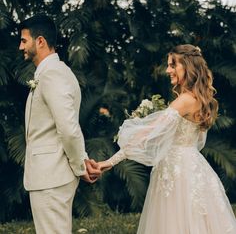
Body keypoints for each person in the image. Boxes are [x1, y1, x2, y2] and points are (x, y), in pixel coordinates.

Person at [98, 44, 236, 234]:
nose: (167, 70)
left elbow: (149, 134)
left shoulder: (184, 100)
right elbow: (196, 142)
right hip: (193, 165)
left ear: (187, 66)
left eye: (173, 65)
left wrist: (110, 162)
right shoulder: (198, 99)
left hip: (176, 173)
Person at [19, 14, 101, 234]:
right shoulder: (50, 73)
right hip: (48, 175)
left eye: (24, 40)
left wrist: (80, 165)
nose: (20, 46)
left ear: (41, 41)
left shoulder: (53, 74)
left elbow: (68, 128)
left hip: (51, 177)